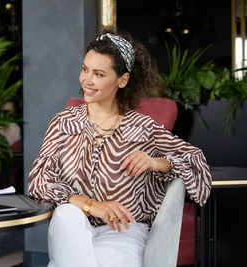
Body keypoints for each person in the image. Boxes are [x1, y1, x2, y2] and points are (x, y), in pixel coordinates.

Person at [27, 26, 212, 267]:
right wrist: (92, 206)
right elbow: (38, 181)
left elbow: (197, 164)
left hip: (123, 231)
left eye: (99, 74)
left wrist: (155, 162)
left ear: (122, 80)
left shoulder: (143, 128)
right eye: (85, 69)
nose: (87, 80)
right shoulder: (63, 122)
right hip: (71, 231)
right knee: (65, 213)